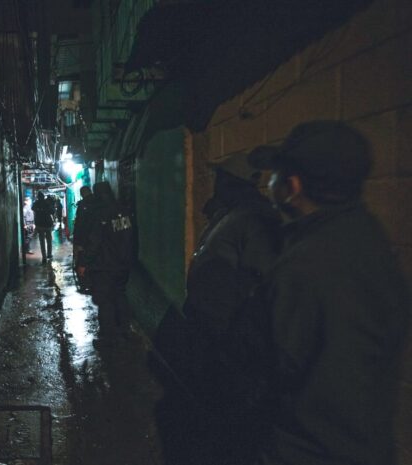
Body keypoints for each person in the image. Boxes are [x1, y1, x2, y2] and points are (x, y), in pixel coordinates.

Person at [247, 121, 410, 465]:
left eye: (275, 176)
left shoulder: (303, 265)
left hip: (305, 450)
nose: (269, 185)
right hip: (369, 448)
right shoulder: (370, 239)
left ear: (292, 187)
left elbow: (270, 368)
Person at [154, 149, 282, 465]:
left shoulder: (253, 219)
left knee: (229, 420)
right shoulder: (229, 214)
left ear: (233, 182)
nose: (215, 183)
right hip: (212, 333)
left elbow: (262, 282)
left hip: (229, 338)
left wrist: (238, 336)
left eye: (220, 177)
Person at [77, 181, 135, 345]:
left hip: (104, 265)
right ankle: (124, 330)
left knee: (105, 300)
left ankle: (109, 336)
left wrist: (83, 262)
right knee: (120, 295)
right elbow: (131, 238)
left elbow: (94, 242)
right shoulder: (124, 211)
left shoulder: (99, 213)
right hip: (123, 264)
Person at [73, 186, 96, 289]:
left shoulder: (82, 205)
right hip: (96, 237)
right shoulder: (98, 202)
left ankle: (86, 282)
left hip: (85, 238)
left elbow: (79, 224)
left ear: (82, 194)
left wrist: (77, 242)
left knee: (83, 260)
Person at [32, 191, 55, 263]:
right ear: (43, 196)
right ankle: (49, 254)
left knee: (42, 242)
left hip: (39, 225)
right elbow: (52, 211)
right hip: (47, 224)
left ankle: (44, 257)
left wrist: (39, 210)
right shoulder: (47, 203)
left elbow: (33, 208)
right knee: (49, 240)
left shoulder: (36, 203)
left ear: (38, 197)